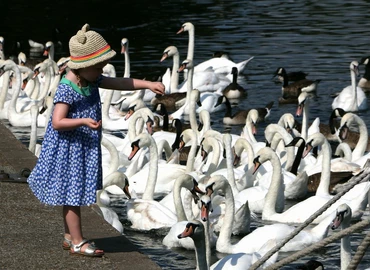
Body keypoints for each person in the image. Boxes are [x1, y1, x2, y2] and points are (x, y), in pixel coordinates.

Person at [27, 23, 165, 257]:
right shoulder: (67, 88)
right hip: (68, 149)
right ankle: (78, 242)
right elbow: (58, 121)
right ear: (83, 67)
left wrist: (148, 84)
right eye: (98, 67)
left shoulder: (89, 79)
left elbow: (121, 83)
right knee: (72, 195)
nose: (101, 72)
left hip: (80, 147)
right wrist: (82, 121)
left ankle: (70, 237)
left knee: (71, 193)